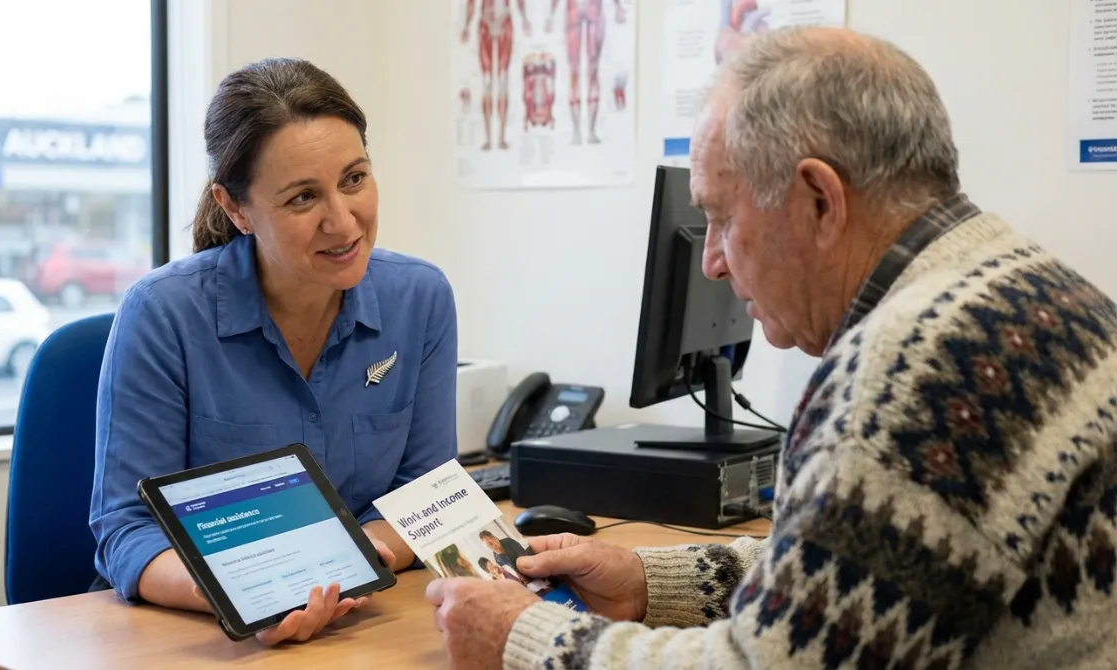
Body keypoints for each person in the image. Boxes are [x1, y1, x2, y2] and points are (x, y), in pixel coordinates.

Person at [425, 26, 1117, 669]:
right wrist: (646, 580)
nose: (713, 264)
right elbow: (866, 575)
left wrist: (525, 637)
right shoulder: (1002, 282)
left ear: (819, 199)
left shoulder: (915, 367)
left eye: (721, 219)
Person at [89, 57, 458, 646]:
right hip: (194, 635)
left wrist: (354, 565)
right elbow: (127, 528)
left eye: (354, 179)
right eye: (302, 198)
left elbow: (426, 494)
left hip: (355, 624)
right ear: (236, 209)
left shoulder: (421, 297)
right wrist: (249, 598)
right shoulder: (163, 312)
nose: (343, 221)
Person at [546, 0, 627, 144]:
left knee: (592, 71)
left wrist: (618, 7)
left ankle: (590, 130)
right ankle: (577, 130)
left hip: (592, 10)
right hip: (575, 12)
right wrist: (551, 14)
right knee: (575, 72)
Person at [462, 0, 532, 151]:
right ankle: (489, 138)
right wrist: (466, 25)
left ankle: (501, 137)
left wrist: (524, 18)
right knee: (487, 81)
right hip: (485, 25)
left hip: (504, 24)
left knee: (502, 80)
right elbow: (471, 3)